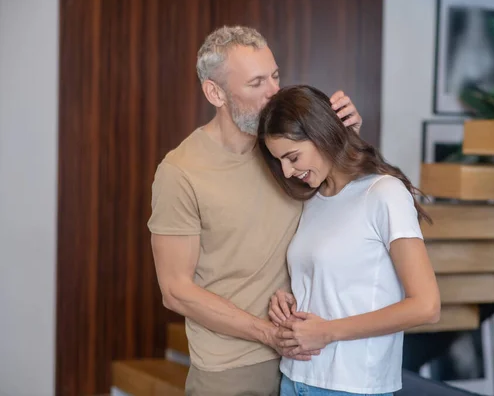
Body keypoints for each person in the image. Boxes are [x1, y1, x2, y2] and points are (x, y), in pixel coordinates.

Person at [148, 26, 363, 395]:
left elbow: (343, 214)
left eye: (275, 75)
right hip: (232, 370)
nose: (273, 92)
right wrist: (267, 333)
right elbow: (176, 291)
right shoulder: (180, 171)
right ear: (215, 92)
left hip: (308, 363)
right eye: (256, 82)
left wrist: (345, 139)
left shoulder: (289, 150)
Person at [257, 85, 441, 395]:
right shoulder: (313, 199)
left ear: (321, 135)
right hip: (295, 379)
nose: (287, 172)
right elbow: (335, 283)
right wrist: (289, 297)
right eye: (280, 162)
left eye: (293, 157)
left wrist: (326, 332)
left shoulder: (384, 194)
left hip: (352, 386)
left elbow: (426, 306)